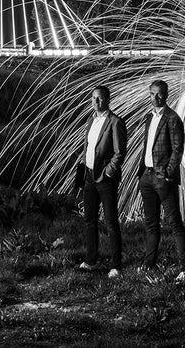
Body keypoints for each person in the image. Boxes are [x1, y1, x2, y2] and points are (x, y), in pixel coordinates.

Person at [136, 78, 185, 283]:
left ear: (166, 94)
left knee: (175, 224)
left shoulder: (172, 118)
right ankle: (149, 263)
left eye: (160, 93)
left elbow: (178, 150)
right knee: (151, 224)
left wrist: (168, 173)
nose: (156, 97)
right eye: (152, 93)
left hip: (163, 178)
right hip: (147, 176)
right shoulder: (148, 117)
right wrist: (144, 171)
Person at [74, 85, 127, 277]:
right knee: (89, 220)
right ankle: (91, 260)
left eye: (101, 98)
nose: (97, 102)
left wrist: (109, 172)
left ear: (108, 100)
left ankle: (116, 265)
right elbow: (87, 146)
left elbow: (120, 152)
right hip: (89, 176)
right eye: (94, 98)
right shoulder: (91, 120)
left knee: (111, 222)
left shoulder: (115, 122)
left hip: (105, 180)